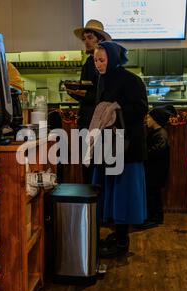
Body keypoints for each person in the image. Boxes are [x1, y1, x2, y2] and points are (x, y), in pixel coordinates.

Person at [91, 41, 148, 258]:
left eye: (102, 60)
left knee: (123, 194)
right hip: (110, 145)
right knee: (111, 192)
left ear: (114, 59)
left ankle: (122, 242)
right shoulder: (102, 79)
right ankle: (117, 236)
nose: (98, 64)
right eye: (96, 60)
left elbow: (141, 108)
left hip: (127, 147)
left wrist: (113, 110)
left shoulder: (131, 80)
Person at [69, 20, 111, 184]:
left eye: (89, 37)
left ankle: (93, 204)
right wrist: (78, 93)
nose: (86, 41)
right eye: (84, 38)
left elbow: (99, 95)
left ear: (99, 40)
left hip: (92, 123)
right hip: (96, 122)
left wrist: (78, 93)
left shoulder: (94, 63)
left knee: (91, 166)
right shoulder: (96, 62)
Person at [139, 104, 177, 229]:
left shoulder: (160, 135)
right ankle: (154, 217)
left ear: (156, 120)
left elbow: (155, 152)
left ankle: (154, 218)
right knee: (152, 195)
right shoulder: (158, 133)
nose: (146, 120)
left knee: (153, 195)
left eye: (149, 118)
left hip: (156, 172)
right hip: (154, 171)